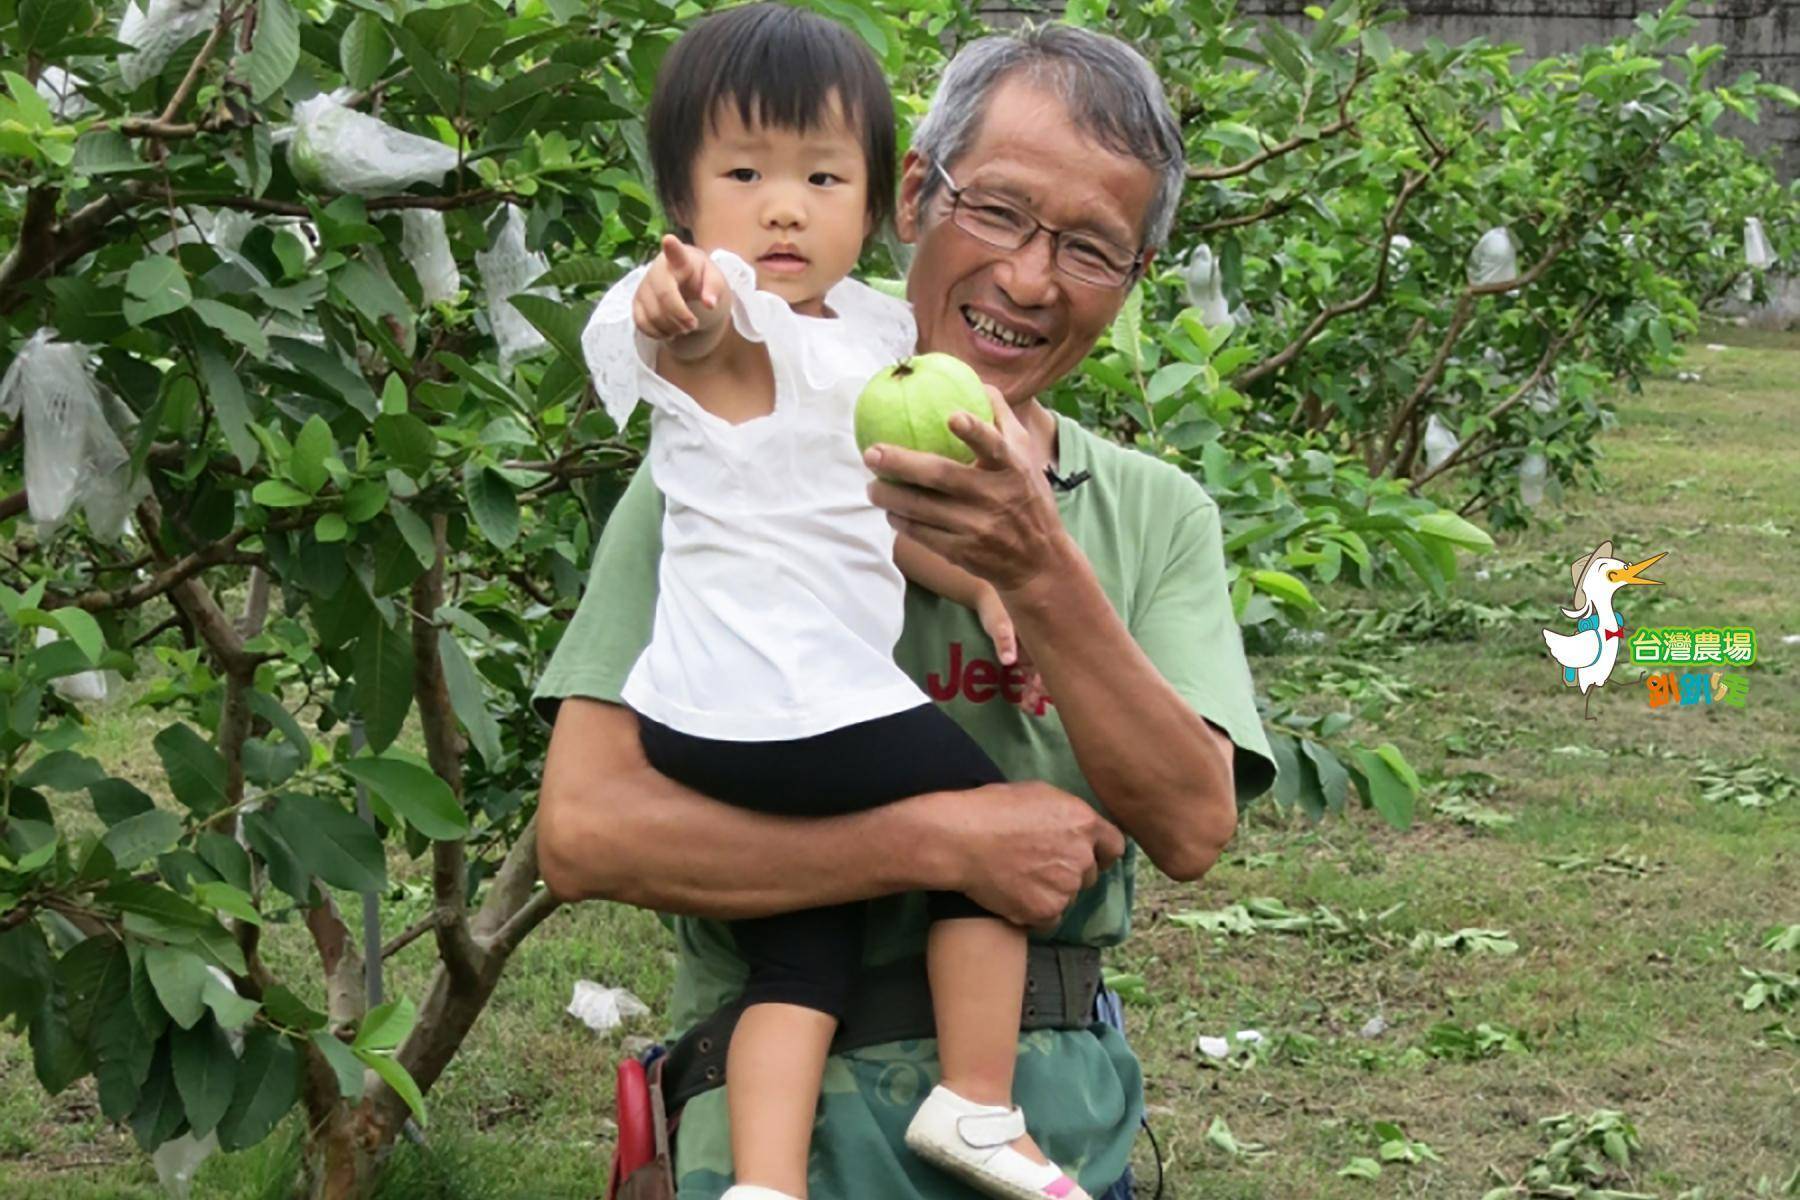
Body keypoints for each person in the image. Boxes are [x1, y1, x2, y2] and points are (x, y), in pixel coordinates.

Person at [536, 20, 1277, 1200]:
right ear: (920, 196)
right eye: (1000, 213)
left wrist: (1039, 572)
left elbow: (1192, 828)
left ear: (1138, 280)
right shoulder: (739, 459)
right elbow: (582, 832)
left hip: (1060, 1136)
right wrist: (940, 843)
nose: (1030, 280)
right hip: (790, 1135)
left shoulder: (1150, 513)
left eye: (1092, 248)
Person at [579, 7, 1081, 1200]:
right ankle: (976, 1102)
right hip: (776, 698)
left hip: (728, 714)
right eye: (742, 174)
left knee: (803, 953)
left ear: (881, 203)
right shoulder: (725, 318)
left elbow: (879, 517)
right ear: (683, 202)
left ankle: (764, 1184)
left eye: (821, 174)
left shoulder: (865, 337)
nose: (784, 207)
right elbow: (684, 330)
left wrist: (993, 589)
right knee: (987, 830)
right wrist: (682, 308)